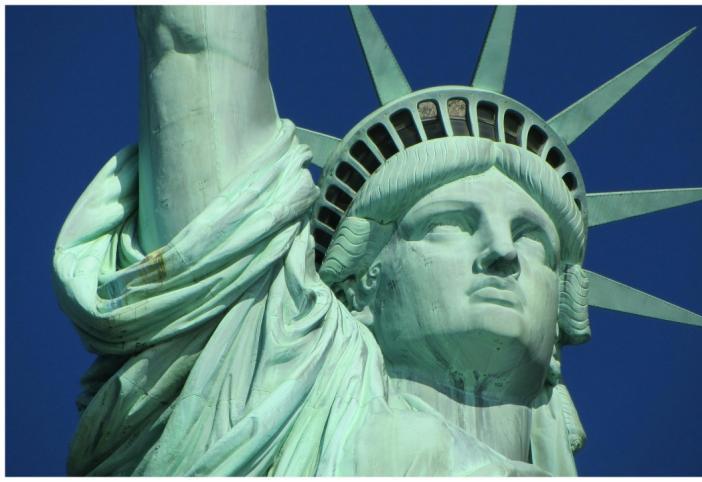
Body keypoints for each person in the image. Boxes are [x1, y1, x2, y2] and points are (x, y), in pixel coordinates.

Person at [53, 6, 587, 475]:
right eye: (449, 224)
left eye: (534, 239)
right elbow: (193, 38)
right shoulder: (260, 381)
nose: (503, 252)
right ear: (358, 287)